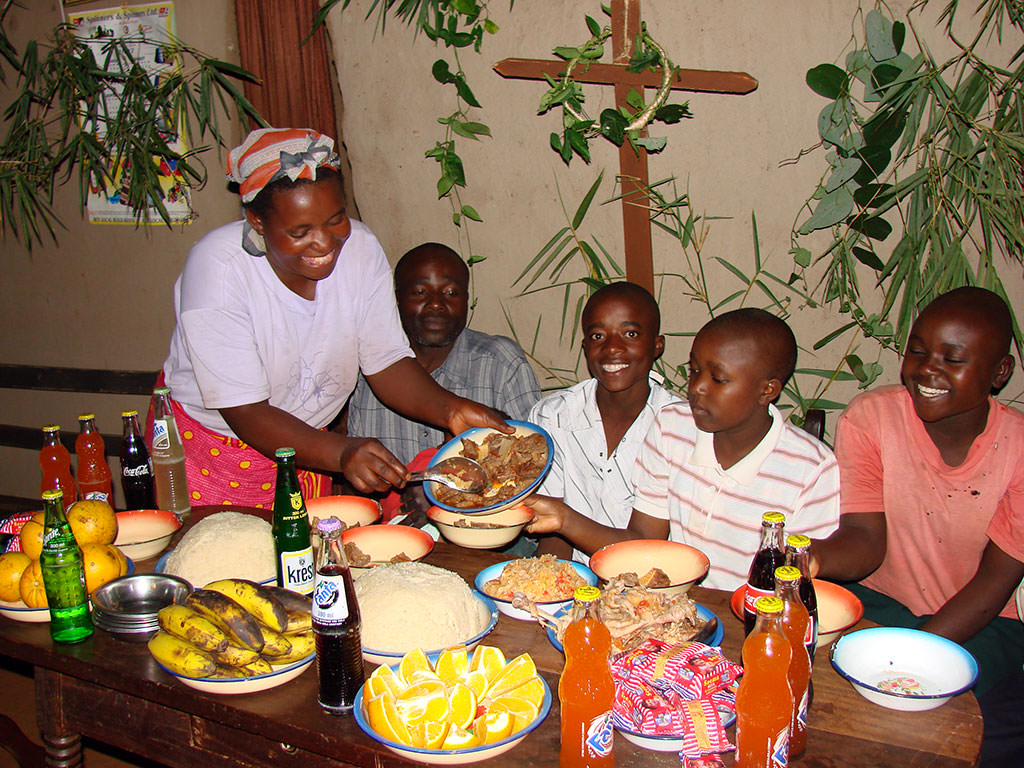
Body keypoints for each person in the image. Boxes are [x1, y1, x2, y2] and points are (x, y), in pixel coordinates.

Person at [161, 127, 507, 508]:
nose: (325, 243)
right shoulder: (219, 271)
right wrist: (340, 453)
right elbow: (245, 411)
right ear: (257, 222)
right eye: (299, 231)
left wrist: (452, 408)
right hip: (215, 450)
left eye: (336, 219)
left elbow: (386, 360)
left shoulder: (359, 249)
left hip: (309, 444)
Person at [811, 287, 1024, 703]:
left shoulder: (1017, 449)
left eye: (953, 359)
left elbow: (997, 579)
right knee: (821, 690)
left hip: (982, 620)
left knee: (948, 715)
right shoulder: (871, 419)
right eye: (918, 352)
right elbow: (864, 537)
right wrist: (809, 557)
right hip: (879, 603)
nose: (927, 371)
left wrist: (908, 655)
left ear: (1000, 372)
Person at [527, 307, 840, 590]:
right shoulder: (672, 427)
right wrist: (564, 519)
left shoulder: (810, 468)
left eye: (717, 378)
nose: (696, 387)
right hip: (675, 608)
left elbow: (801, 587)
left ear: (767, 390)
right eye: (693, 371)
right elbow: (641, 543)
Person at [523, 282, 682, 562]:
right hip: (575, 581)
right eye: (598, 336)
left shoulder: (679, 426)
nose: (612, 348)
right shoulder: (553, 416)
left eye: (630, 334)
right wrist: (555, 588)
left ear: (657, 345)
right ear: (585, 347)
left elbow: (648, 551)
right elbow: (553, 535)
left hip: (653, 583)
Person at [346, 242, 540, 465]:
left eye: (450, 292)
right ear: (396, 299)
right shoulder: (368, 372)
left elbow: (533, 461)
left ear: (467, 299)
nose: (436, 304)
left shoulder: (501, 364)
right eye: (420, 292)